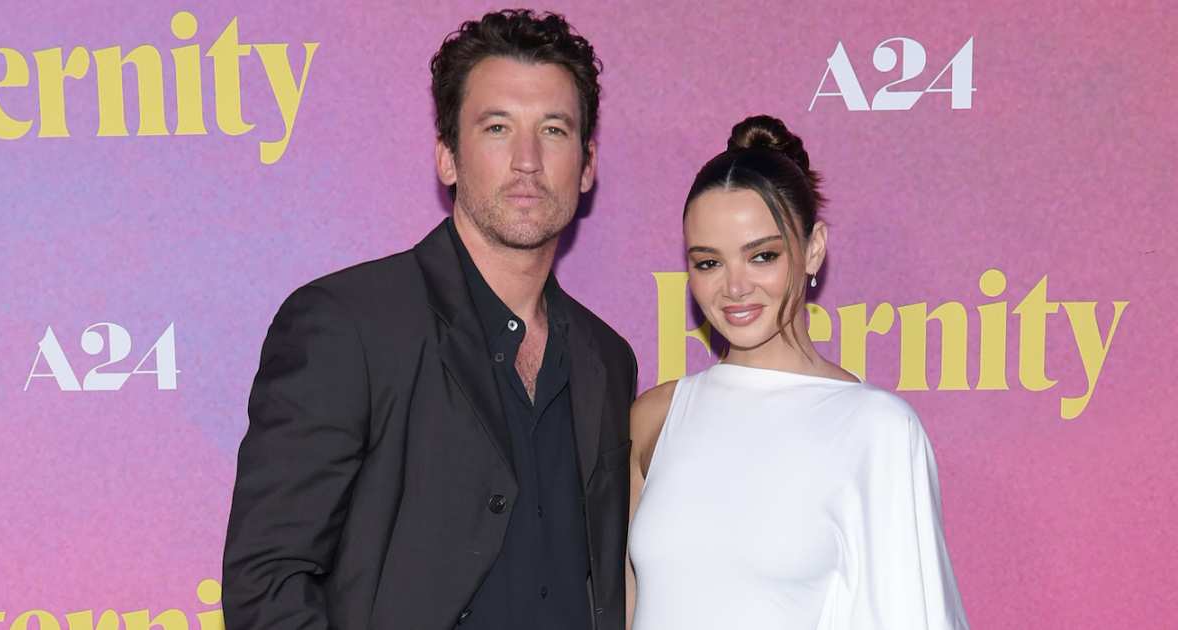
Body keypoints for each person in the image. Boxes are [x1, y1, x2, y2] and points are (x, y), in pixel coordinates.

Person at [222, 10, 637, 630]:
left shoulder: (607, 358)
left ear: (586, 163)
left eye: (553, 130)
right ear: (447, 156)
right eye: (497, 128)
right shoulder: (348, 326)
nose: (527, 159)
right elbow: (267, 584)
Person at [626, 115, 968, 629]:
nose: (735, 287)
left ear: (813, 249)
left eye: (762, 256)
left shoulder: (877, 429)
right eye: (709, 263)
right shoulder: (654, 417)